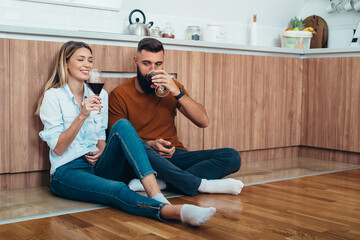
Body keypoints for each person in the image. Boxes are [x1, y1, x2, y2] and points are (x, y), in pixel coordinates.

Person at [36, 40, 216, 227]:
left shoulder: (99, 94)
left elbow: (100, 138)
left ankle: (156, 195)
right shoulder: (53, 96)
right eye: (81, 59)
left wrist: (102, 152)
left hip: (96, 166)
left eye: (90, 60)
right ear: (65, 63)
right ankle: (170, 211)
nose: (87, 65)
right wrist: (82, 114)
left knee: (122, 125)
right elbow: (57, 149)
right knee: (117, 188)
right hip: (68, 171)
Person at [108, 38, 243, 197]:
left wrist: (176, 91)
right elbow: (117, 139)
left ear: (164, 63)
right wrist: (150, 145)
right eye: (146, 64)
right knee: (137, 155)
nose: (152, 70)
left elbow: (203, 121)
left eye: (158, 64)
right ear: (135, 61)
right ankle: (199, 184)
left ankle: (165, 183)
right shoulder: (120, 94)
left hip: (173, 155)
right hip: (142, 158)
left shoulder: (172, 87)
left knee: (231, 156)